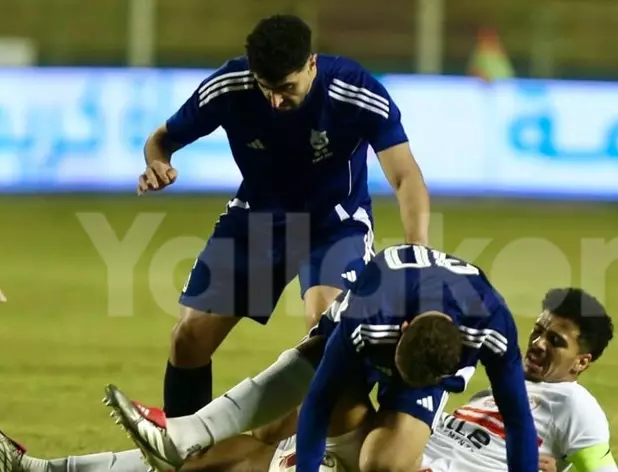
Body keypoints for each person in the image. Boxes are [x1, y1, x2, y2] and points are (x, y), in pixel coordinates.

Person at [0, 288, 618, 472]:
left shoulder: (578, 412)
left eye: (557, 341)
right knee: (203, 460)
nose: (538, 344)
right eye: (539, 330)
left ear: (582, 362)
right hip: (370, 451)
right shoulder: (502, 386)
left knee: (195, 467)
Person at [104, 244, 540, 472]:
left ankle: (228, 453)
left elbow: (519, 420)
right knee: (271, 428)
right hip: (368, 325)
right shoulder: (369, 313)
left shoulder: (493, 326)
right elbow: (319, 397)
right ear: (403, 330)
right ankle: (170, 451)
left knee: (384, 467)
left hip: (424, 351)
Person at [144, 14, 430, 417]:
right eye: (266, 88)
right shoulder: (230, 86)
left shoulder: (355, 90)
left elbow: (405, 176)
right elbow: (161, 139)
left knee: (325, 330)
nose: (276, 101)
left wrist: (418, 256)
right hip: (258, 219)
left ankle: (330, 443)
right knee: (188, 339)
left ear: (311, 63)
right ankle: (185, 451)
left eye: (286, 88)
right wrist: (158, 163)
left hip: (336, 224)